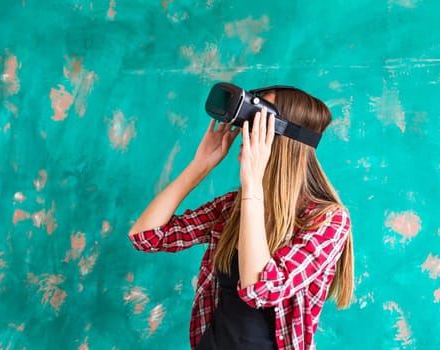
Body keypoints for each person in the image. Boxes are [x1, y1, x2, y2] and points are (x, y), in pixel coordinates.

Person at [128, 86, 354, 350]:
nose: (246, 132)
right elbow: (146, 237)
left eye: (258, 122)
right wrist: (199, 166)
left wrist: (253, 183)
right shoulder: (233, 207)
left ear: (285, 136)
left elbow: (262, 290)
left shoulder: (328, 220)